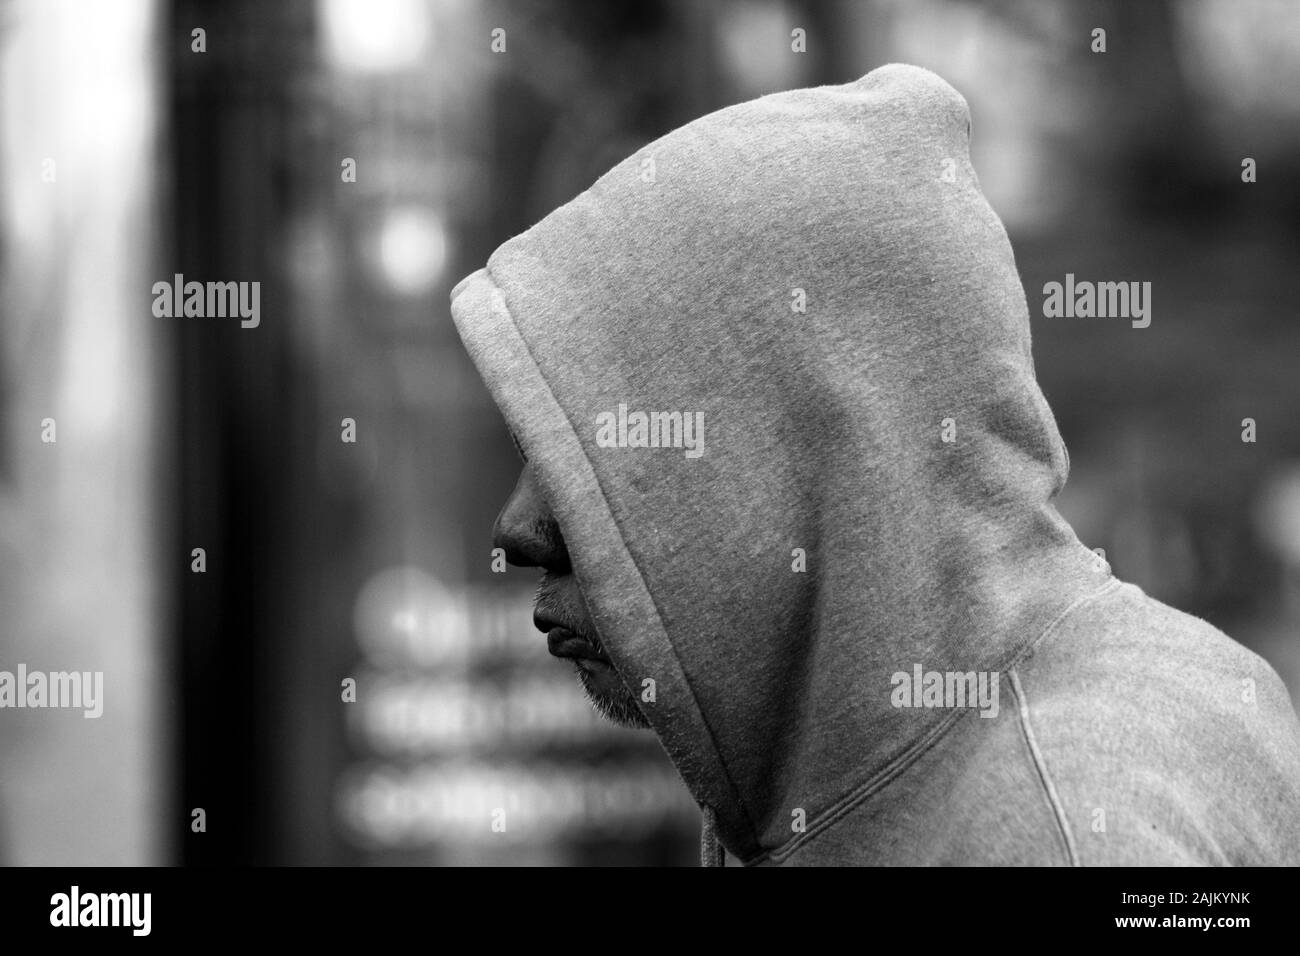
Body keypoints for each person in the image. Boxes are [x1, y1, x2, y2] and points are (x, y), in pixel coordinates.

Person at [449, 64, 1300, 866]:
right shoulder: (906, 764)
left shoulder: (1063, 820)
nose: (518, 528)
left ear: (790, 437)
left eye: (577, 444)